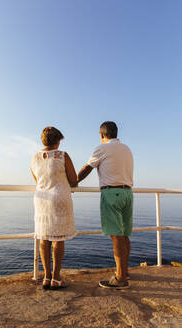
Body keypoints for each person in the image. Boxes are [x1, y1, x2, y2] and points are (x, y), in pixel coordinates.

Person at [77, 121, 133, 289]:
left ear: (102, 135)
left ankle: (121, 278)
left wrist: (73, 182)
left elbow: (88, 168)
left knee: (116, 236)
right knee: (124, 235)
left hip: (112, 194)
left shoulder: (102, 148)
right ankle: (124, 271)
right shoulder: (126, 149)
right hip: (127, 193)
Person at [30, 126, 77, 290]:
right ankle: (56, 278)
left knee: (44, 238)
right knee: (58, 238)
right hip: (59, 198)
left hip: (41, 199)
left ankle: (46, 277)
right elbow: (73, 180)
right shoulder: (62, 156)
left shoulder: (34, 158)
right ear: (57, 141)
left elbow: (37, 180)